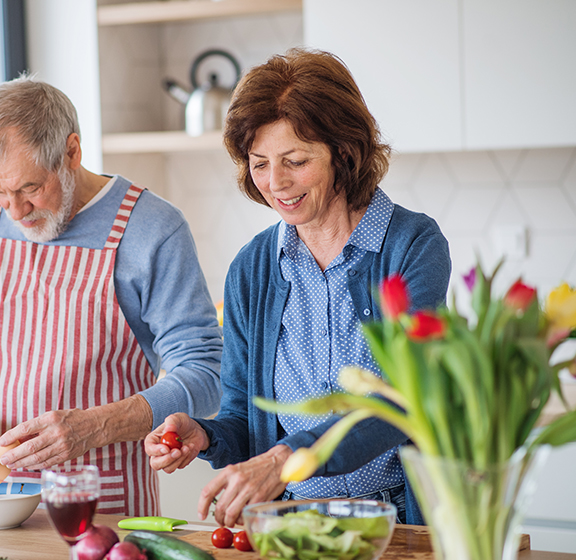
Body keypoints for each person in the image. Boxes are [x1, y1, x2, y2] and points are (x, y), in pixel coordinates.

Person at [145, 48, 451, 527]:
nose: (276, 182)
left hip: (402, 520)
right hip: (293, 524)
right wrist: (205, 435)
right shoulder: (253, 269)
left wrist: (285, 458)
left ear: (344, 151)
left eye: (295, 160)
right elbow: (246, 422)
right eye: (259, 163)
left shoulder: (412, 246)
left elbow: (398, 401)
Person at [0, 76, 222, 517]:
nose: (15, 212)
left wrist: (95, 426)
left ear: (71, 152)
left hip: (106, 510)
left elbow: (206, 372)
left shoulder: (152, 228)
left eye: (29, 188)